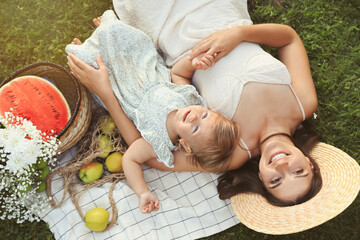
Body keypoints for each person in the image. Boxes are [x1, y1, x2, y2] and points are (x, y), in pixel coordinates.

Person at [106, 0, 321, 206]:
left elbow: (154, 157)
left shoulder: (233, 152)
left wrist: (106, 93)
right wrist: (238, 34)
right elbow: (289, 39)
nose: (282, 166)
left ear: (261, 178)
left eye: (276, 181)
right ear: (309, 163)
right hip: (223, 11)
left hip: (174, 31)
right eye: (298, 172)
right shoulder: (303, 103)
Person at [66, 10, 240, 213]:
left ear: (185, 145)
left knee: (89, 61)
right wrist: (194, 64)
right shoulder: (189, 99)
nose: (194, 116)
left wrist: (143, 192)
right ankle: (104, 31)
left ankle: (92, 46)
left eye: (195, 129)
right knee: (124, 34)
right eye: (205, 115)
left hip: (122, 87)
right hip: (145, 67)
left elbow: (130, 159)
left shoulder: (158, 142)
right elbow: (177, 72)